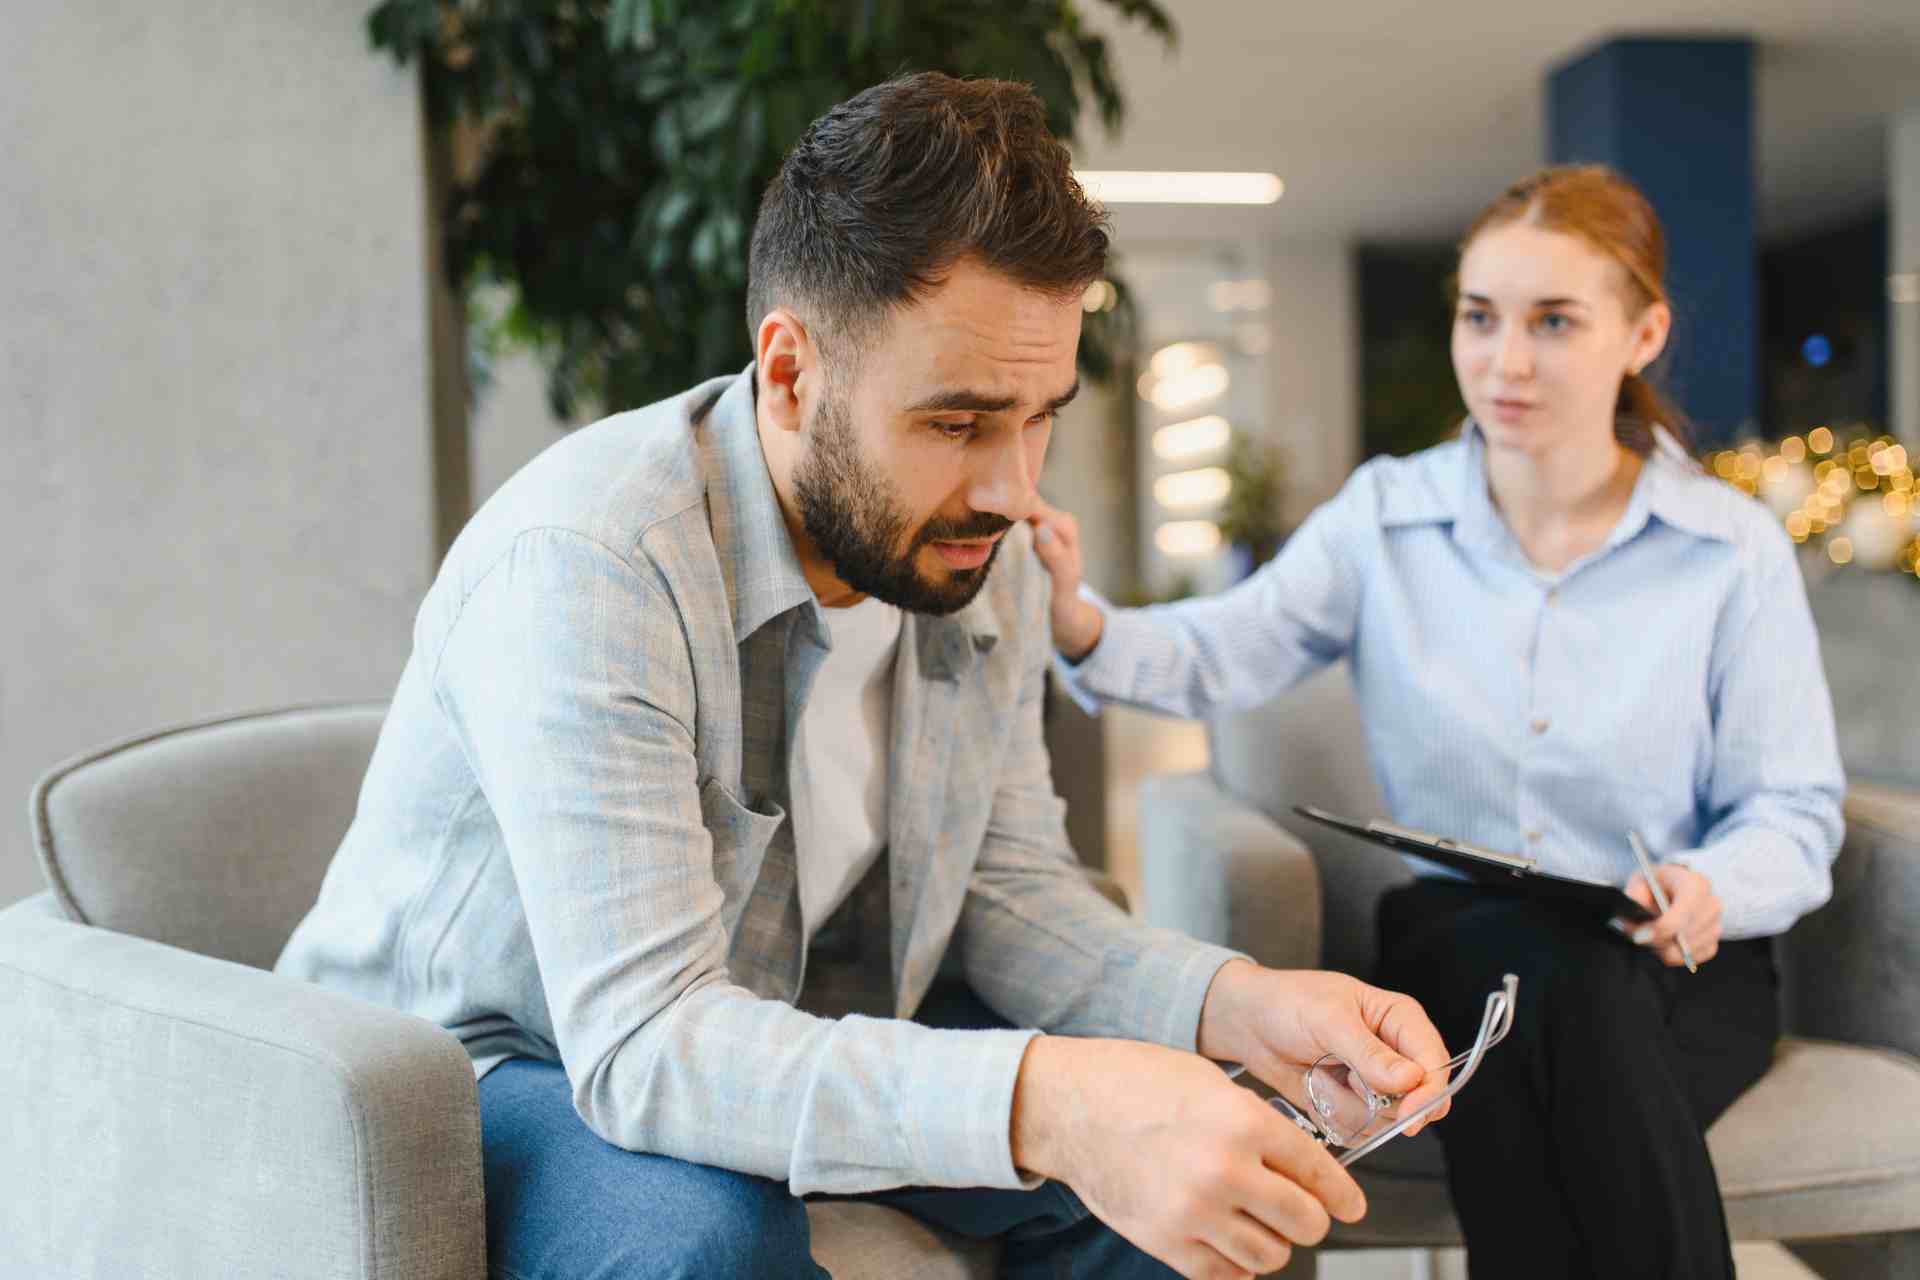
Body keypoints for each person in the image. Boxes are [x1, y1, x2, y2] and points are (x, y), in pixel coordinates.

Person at [275, 73, 1456, 1280]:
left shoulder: (975, 557)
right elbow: (649, 1043)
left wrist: (1242, 1006)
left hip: (778, 1008)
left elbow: (1010, 893)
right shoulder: (590, 566)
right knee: (704, 1241)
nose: (1010, 486)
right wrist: (1054, 1098)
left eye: (1040, 414)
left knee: (1199, 1169)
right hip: (495, 1060)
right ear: (790, 374)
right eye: (957, 422)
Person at [1031, 165, 1846, 1279]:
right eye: (1481, 317)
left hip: (1680, 963)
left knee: (1571, 1019)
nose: (1505, 361)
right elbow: (1225, 647)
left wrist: (1712, 883)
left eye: (1554, 321)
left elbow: (1794, 811)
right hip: (1463, 936)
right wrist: (1079, 621)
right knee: (1564, 1001)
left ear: (1643, 332)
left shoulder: (1729, 547)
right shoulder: (1385, 517)